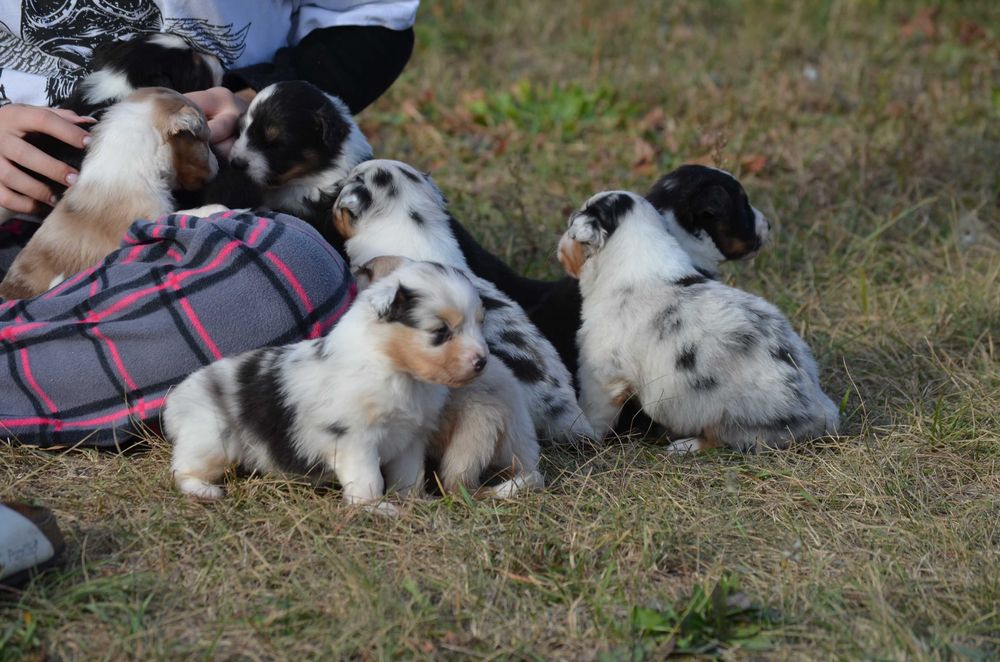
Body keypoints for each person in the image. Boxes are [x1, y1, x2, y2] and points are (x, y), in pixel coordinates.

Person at [0, 1, 418, 448]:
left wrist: (251, 97)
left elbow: (370, 21)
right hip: (15, 214)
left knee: (293, 275)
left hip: (201, 233)